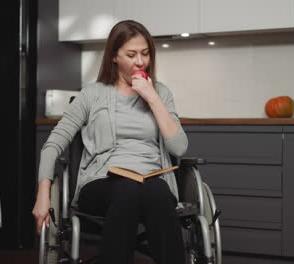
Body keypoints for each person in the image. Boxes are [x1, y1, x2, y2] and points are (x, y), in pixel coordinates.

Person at [32, 20, 188, 264]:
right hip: (101, 182)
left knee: (156, 189)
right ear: (114, 56)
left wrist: (152, 97)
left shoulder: (161, 93)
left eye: (145, 54)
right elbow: (53, 143)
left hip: (151, 180)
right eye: (131, 54)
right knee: (128, 187)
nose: (140, 61)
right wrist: (43, 194)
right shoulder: (92, 94)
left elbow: (179, 147)